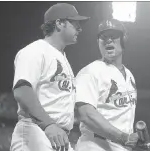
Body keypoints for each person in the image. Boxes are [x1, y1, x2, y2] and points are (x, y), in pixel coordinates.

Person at [10, 3, 89, 151]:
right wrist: (48, 124)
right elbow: (22, 90)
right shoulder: (35, 51)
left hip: (56, 134)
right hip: (37, 130)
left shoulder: (61, 57)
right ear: (59, 23)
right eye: (75, 23)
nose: (80, 28)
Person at [74, 19, 140, 151]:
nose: (108, 40)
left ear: (124, 40)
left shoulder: (129, 75)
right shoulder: (90, 72)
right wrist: (122, 137)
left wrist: (130, 140)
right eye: (103, 37)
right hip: (95, 145)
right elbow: (86, 114)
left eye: (113, 36)